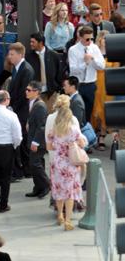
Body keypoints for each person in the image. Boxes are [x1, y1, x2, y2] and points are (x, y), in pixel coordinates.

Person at [46, 94, 87, 231]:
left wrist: (59, 147)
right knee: (69, 193)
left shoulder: (54, 131)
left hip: (57, 163)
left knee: (58, 191)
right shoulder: (73, 129)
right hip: (70, 163)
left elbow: (49, 147)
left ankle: (59, 215)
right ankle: (68, 220)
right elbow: (82, 143)